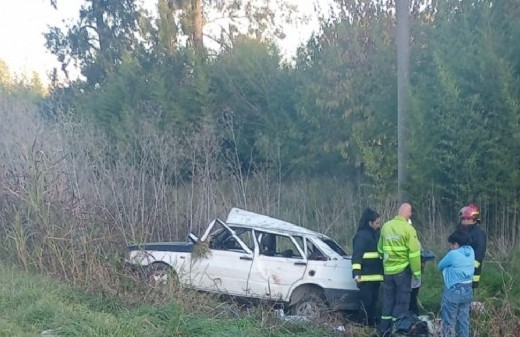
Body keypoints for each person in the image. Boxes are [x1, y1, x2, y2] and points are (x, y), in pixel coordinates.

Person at [377, 203, 422, 337]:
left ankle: (384, 331)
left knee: (388, 302)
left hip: (388, 272)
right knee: (402, 303)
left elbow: (379, 249)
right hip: (403, 272)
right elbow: (414, 254)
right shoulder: (409, 229)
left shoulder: (386, 226)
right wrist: (417, 273)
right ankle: (397, 332)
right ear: (408, 214)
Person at [438, 229, 475, 337]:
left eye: (451, 244)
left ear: (456, 243)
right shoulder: (471, 251)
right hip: (468, 289)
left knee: (448, 322)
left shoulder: (453, 254)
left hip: (454, 290)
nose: (450, 247)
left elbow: (440, 265)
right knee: (463, 321)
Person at [352, 208, 383, 326]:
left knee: (374, 304)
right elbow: (356, 257)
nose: (379, 225)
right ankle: (362, 326)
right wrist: (356, 273)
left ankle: (371, 325)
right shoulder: (361, 236)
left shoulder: (378, 235)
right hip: (365, 278)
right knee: (366, 304)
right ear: (370, 223)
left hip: (377, 277)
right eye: (377, 223)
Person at [458, 203, 486, 289]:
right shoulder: (461, 231)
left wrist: (470, 265)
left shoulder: (479, 234)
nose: (464, 221)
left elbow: (480, 252)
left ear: (474, 219)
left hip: (472, 271)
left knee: (469, 291)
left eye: (466, 219)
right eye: (462, 219)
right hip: (461, 270)